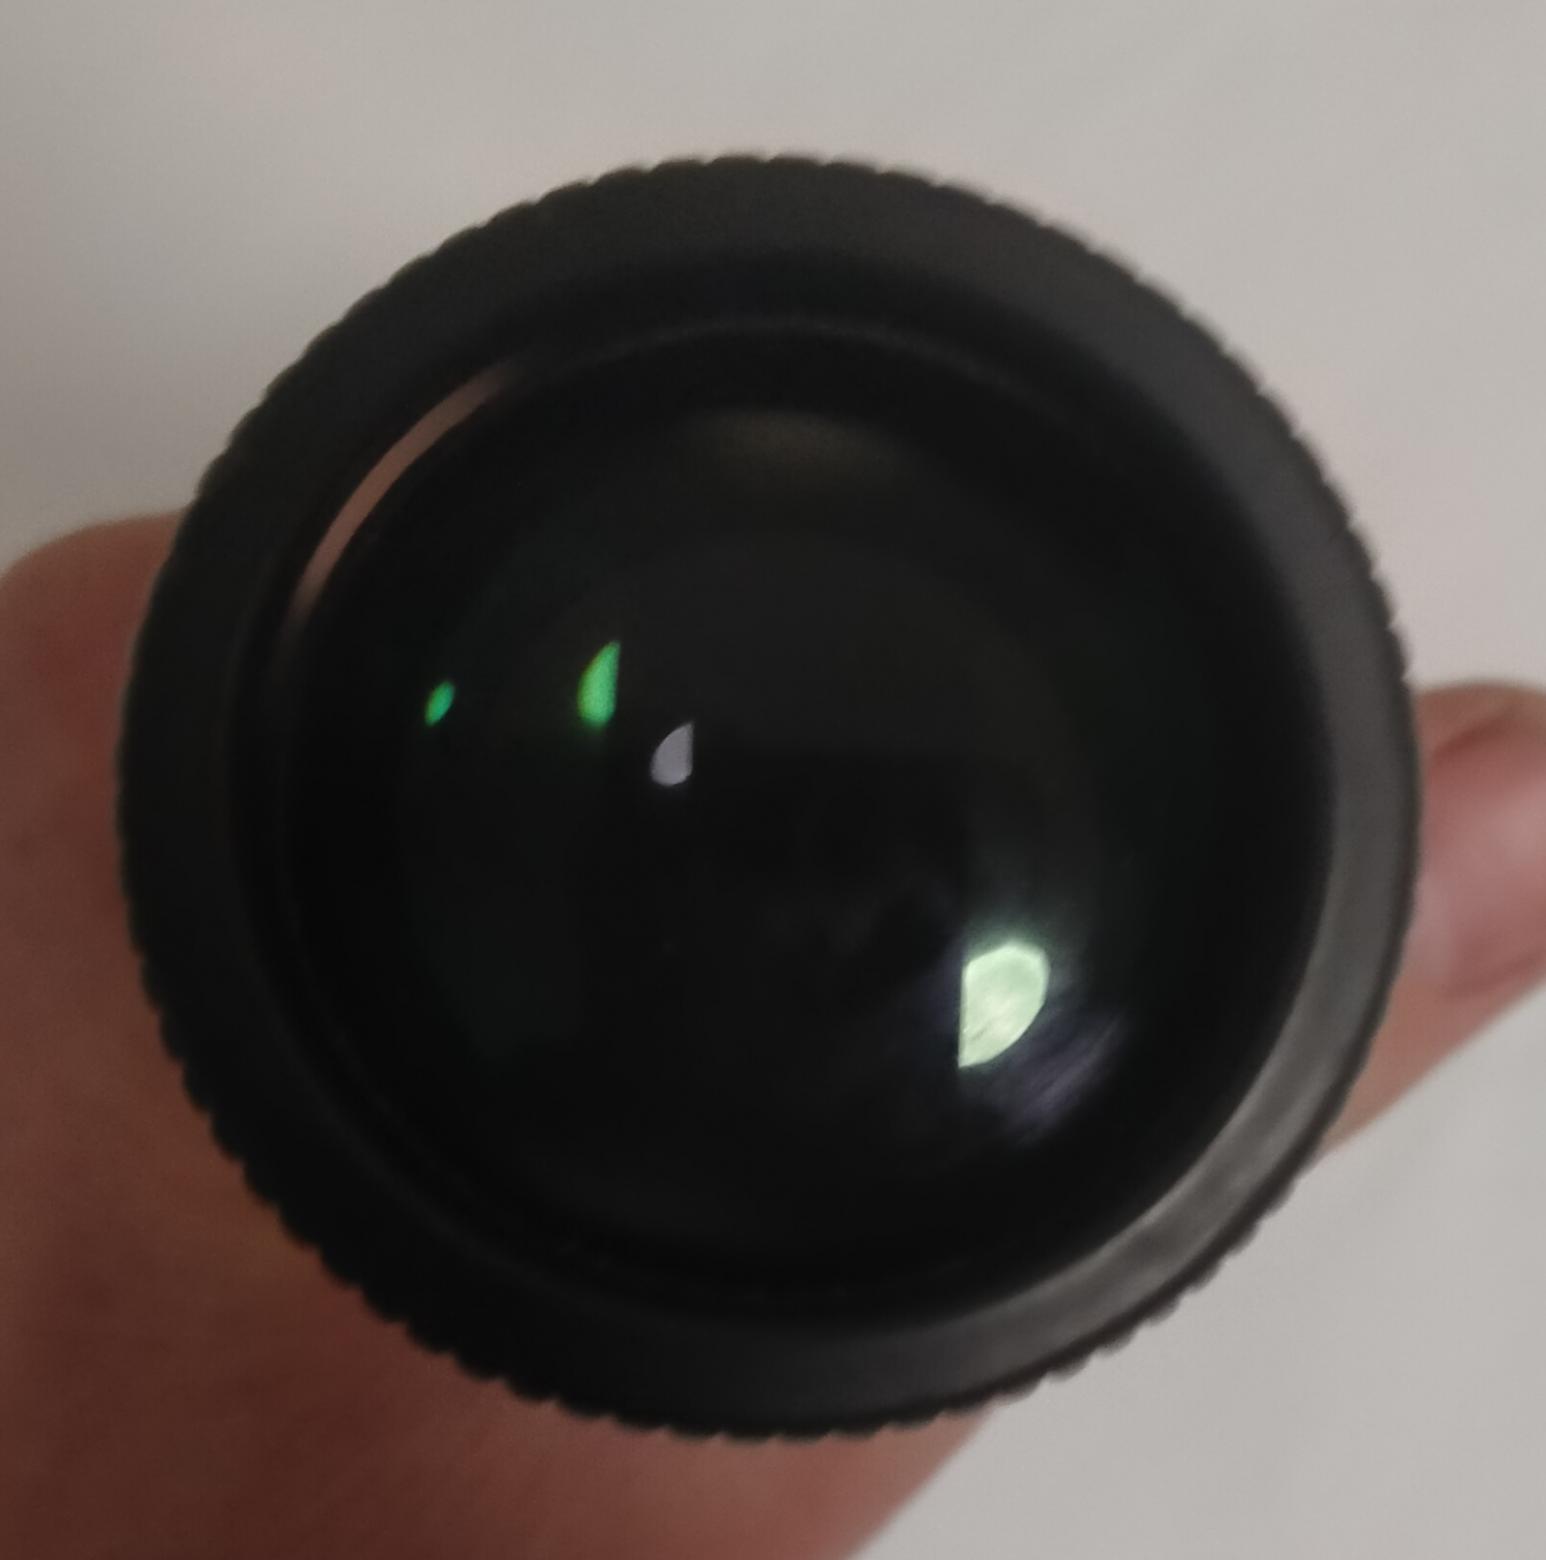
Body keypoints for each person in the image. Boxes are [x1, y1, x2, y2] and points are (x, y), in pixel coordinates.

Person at [2, 516, 1544, 1560]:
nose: (819, 912)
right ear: (628, 908)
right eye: (771, 842)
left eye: (899, 932)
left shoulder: (549, 1109)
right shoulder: (491, 1130)